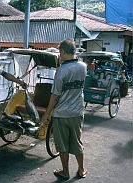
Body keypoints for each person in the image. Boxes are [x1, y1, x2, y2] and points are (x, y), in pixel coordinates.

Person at [41, 39, 87, 180]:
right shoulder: (83, 66)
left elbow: (55, 96)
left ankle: (65, 172)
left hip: (62, 113)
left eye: (60, 53)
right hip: (78, 111)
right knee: (77, 142)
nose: (59, 56)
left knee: (62, 145)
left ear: (63, 52)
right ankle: (81, 169)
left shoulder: (61, 71)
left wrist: (47, 114)